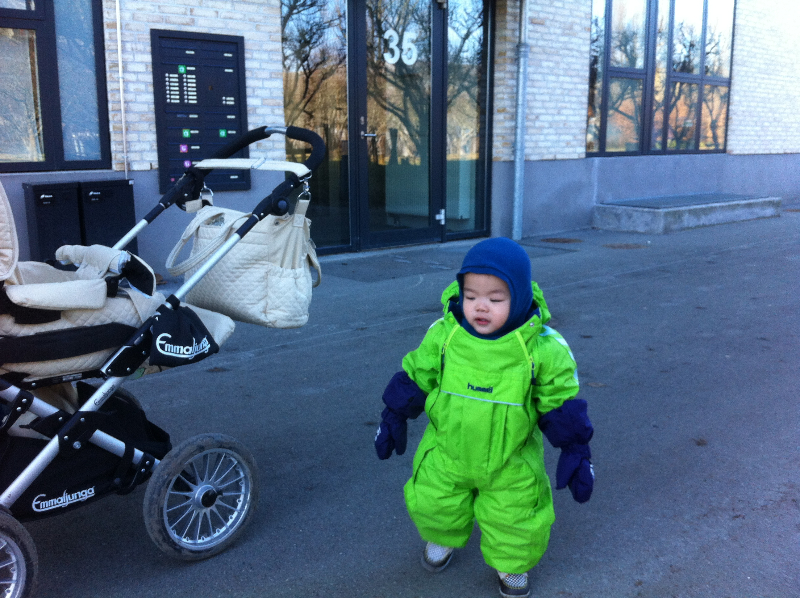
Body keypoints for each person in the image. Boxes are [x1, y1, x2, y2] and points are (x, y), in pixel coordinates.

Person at [374, 237, 594, 598]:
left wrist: (575, 449)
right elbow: (418, 374)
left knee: (515, 518)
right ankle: (442, 538)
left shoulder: (541, 349)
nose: (480, 307)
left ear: (519, 297)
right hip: (448, 450)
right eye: (471, 295)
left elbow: (560, 402)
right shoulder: (446, 336)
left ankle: (512, 567)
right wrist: (394, 413)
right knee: (434, 502)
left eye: (495, 299)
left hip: (511, 459)